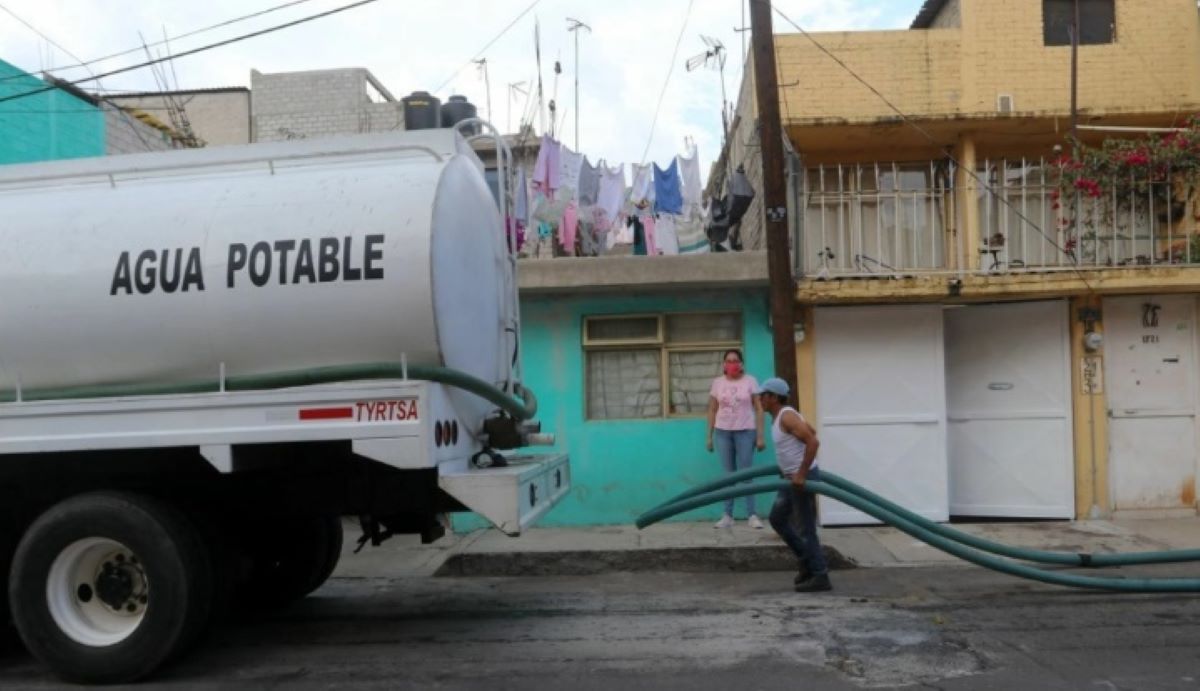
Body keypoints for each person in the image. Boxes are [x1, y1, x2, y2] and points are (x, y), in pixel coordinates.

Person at [756, 376, 831, 593]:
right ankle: (807, 561)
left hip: (801, 479)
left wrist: (801, 473)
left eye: (763, 395)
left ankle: (819, 574)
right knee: (777, 519)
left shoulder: (786, 417)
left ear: (773, 397)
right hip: (789, 478)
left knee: (805, 528)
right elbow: (812, 431)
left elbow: (813, 441)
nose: (760, 399)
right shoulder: (779, 416)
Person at [706, 349, 766, 529]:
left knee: (747, 475)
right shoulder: (717, 383)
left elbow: (759, 408)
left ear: (741, 363)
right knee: (728, 475)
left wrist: (760, 436)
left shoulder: (751, 381)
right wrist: (709, 436)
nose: (732, 364)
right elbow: (711, 409)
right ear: (724, 364)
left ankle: (752, 515)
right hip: (722, 432)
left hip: (746, 432)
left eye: (735, 360)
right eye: (728, 361)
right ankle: (727, 515)